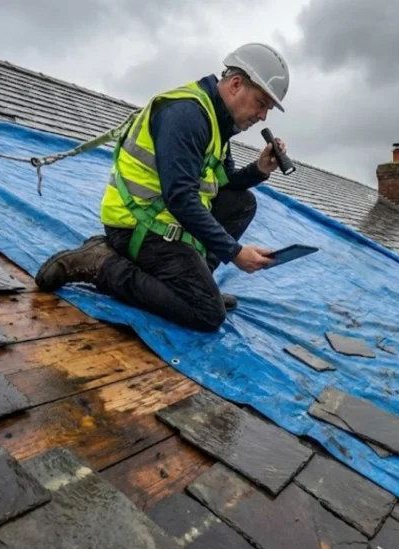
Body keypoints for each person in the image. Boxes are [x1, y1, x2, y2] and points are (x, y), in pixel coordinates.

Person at [35, 43, 290, 332]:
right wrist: (235, 251)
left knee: (242, 203)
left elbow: (223, 182)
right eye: (261, 103)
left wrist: (259, 170)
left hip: (166, 218)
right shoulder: (186, 115)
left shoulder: (218, 121)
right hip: (137, 224)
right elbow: (181, 199)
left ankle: (191, 282)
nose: (263, 117)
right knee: (207, 313)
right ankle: (101, 263)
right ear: (235, 85)